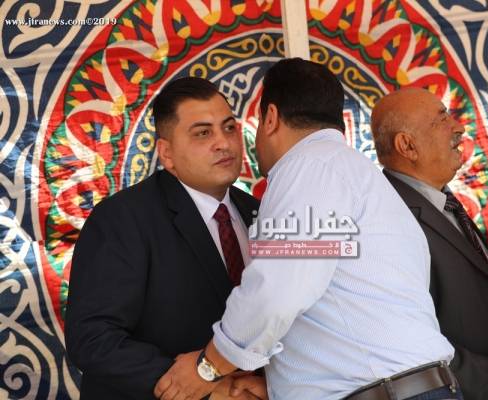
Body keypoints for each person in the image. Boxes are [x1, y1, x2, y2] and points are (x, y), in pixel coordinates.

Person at [153, 58, 462, 400]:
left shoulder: (308, 168)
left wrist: (209, 366)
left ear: (271, 118)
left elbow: (275, 292)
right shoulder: (349, 171)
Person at [65, 77, 262, 399]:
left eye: (228, 128)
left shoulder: (261, 213)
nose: (223, 143)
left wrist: (266, 383)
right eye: (203, 133)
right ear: (166, 153)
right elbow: (92, 337)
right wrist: (207, 386)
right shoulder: (122, 218)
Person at [370, 86, 488, 399]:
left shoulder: (439, 200)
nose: (459, 128)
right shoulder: (390, 219)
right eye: (441, 119)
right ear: (407, 146)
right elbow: (412, 341)